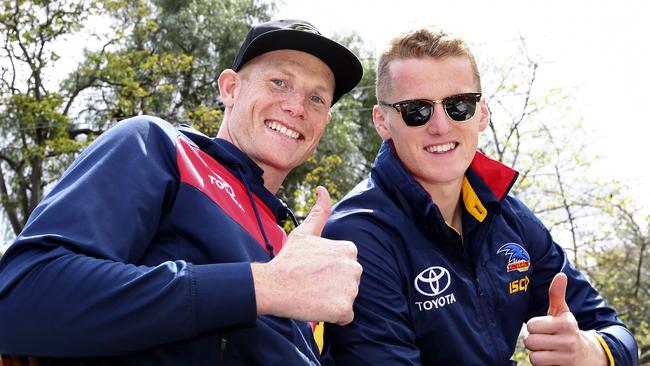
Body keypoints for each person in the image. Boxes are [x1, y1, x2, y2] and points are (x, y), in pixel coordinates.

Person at [0, 19, 363, 365]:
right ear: (230, 88)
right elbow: (18, 300)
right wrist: (263, 286)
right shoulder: (159, 147)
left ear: (324, 123)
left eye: (317, 99)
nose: (297, 107)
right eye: (280, 82)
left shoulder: (289, 242)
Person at [321, 28, 638, 365]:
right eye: (417, 110)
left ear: (482, 112)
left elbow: (616, 333)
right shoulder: (357, 235)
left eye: (459, 104)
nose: (441, 126)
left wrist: (589, 352)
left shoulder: (509, 217)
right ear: (382, 121)